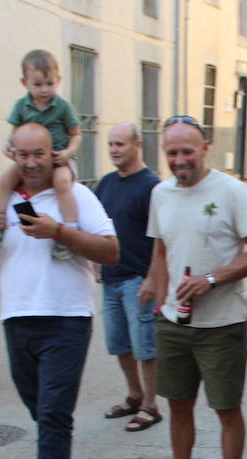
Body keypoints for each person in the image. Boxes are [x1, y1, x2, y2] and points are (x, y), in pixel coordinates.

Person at [0, 123, 119, 459]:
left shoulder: (76, 195)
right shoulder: (1, 198)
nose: (32, 163)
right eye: (23, 155)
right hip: (16, 316)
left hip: (66, 316)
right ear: (12, 155)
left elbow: (111, 250)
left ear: (53, 153)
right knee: (43, 410)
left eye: (39, 154)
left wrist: (59, 231)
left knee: (53, 411)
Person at [141, 115, 247, 459]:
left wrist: (211, 280)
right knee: (178, 405)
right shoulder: (160, 193)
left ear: (205, 147)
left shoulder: (231, 191)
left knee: (225, 409)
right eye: (172, 152)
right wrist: (161, 301)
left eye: (187, 151)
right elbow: (160, 251)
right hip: (174, 324)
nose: (180, 160)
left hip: (223, 323)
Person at [94, 122, 162, 432]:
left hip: (139, 278)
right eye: (110, 144)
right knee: (119, 344)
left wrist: (152, 278)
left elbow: (163, 239)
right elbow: (97, 226)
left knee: (144, 346)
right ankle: (134, 395)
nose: (113, 149)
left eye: (120, 144)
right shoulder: (106, 184)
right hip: (111, 278)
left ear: (137, 145)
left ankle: (151, 404)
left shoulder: (152, 186)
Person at [0, 50, 82, 259]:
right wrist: (9, 147)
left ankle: (69, 231)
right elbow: (14, 135)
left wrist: (68, 152)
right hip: (30, 160)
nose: (45, 90)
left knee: (62, 183)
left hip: (58, 158)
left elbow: (76, 134)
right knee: (4, 180)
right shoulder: (21, 106)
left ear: (58, 80)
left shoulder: (63, 107)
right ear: (24, 82)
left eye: (50, 83)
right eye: (38, 85)